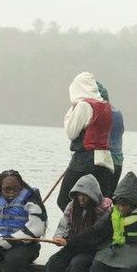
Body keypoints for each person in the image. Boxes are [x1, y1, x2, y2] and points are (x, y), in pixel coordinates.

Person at [37, 174, 112, 272]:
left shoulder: (105, 211)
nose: (81, 199)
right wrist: (58, 236)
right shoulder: (72, 207)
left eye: (85, 195)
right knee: (54, 262)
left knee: (77, 265)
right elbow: (64, 225)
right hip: (72, 245)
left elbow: (94, 234)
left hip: (92, 249)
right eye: (79, 195)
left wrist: (69, 242)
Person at [56, 71, 113, 212]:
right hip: (104, 160)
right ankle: (92, 227)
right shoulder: (105, 106)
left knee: (64, 199)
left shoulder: (84, 106)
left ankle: (77, 227)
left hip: (84, 160)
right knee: (94, 201)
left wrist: (70, 113)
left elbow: (71, 132)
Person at [96, 81, 125, 197]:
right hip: (118, 161)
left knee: (100, 199)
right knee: (108, 199)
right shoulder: (118, 112)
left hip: (106, 161)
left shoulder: (102, 112)